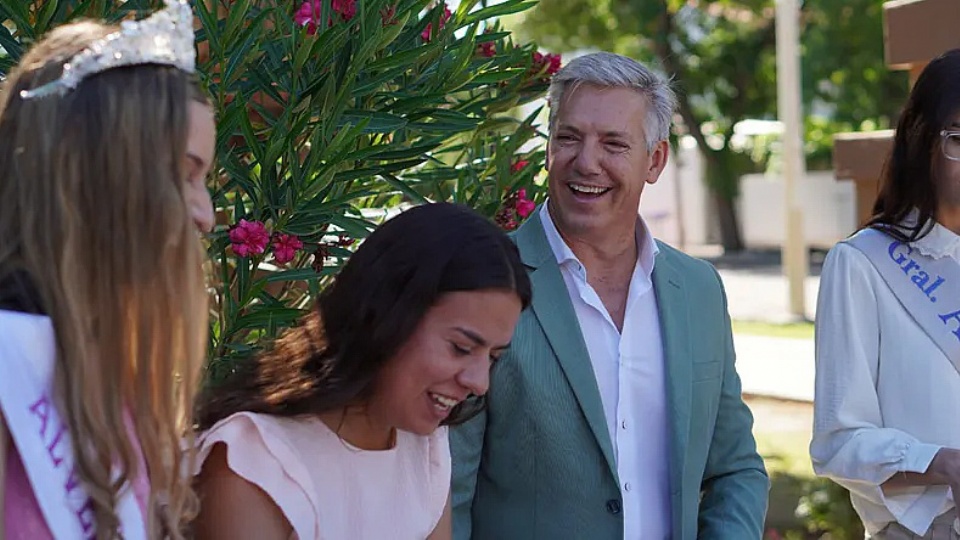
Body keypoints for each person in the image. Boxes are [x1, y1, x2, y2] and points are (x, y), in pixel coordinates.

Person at [450, 51, 769, 539]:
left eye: (614, 144)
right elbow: (448, 491)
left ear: (655, 160)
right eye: (569, 138)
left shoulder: (699, 289)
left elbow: (735, 468)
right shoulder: (483, 280)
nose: (586, 162)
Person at [0, 1, 215, 539]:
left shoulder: (112, 367)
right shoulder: (11, 358)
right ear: (95, 171)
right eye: (184, 175)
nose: (206, 215)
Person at [191, 202, 532, 540]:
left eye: (493, 357)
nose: (479, 383)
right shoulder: (256, 463)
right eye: (461, 348)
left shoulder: (423, 445)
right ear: (385, 313)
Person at [811, 49, 960, 539]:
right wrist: (942, 463)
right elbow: (838, 442)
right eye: (959, 139)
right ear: (922, 141)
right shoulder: (863, 264)